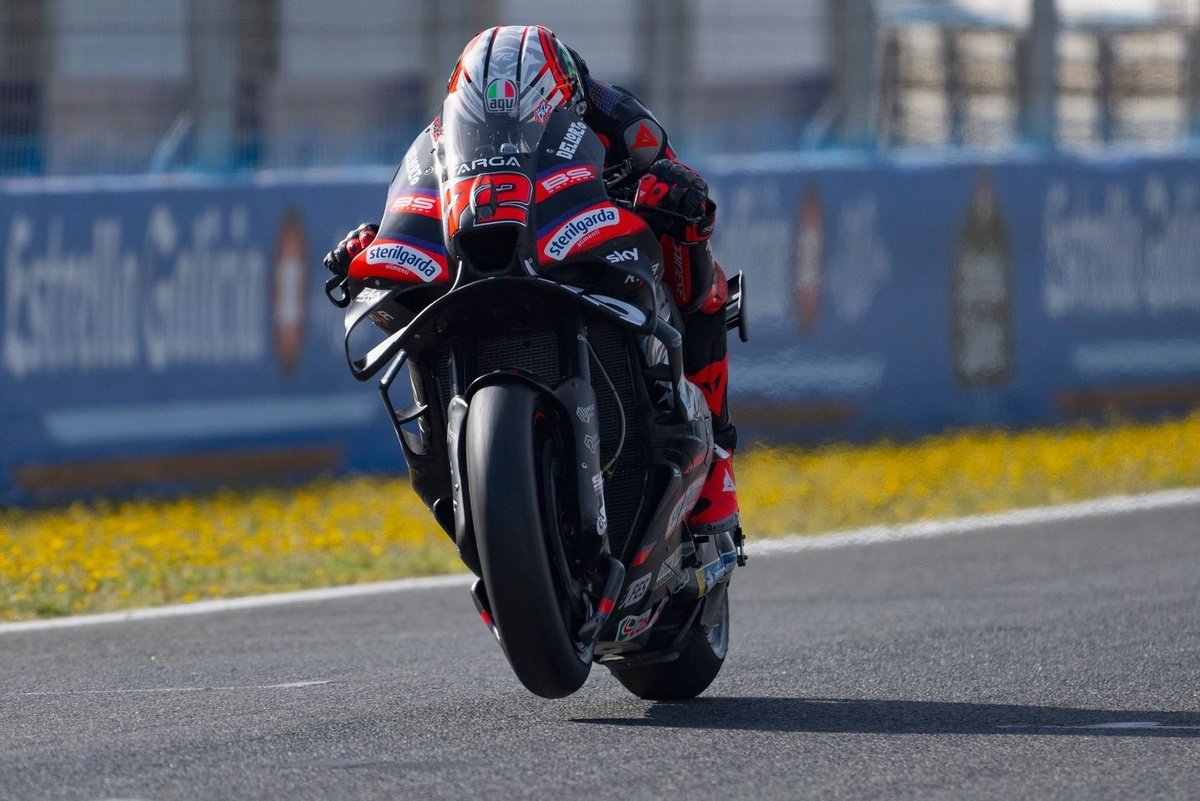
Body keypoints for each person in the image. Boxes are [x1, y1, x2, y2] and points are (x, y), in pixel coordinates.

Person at [323, 24, 739, 542]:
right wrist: (374, 241)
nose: (501, 134)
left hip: (584, 241)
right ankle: (450, 463)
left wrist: (673, 194)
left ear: (570, 96)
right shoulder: (437, 140)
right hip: (488, 264)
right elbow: (414, 202)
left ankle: (717, 455)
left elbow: (683, 181)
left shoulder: (618, 117)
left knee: (703, 276)